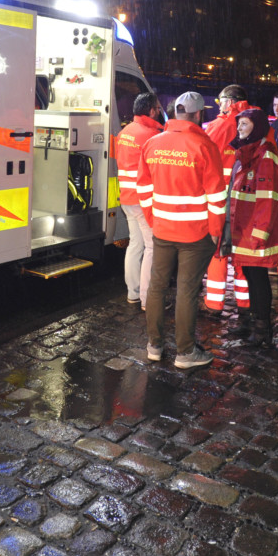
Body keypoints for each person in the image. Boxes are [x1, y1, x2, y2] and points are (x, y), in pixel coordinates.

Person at [138, 91, 225, 369]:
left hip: (163, 229)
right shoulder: (205, 145)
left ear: (176, 112)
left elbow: (144, 189)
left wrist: (154, 220)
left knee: (157, 286)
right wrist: (216, 231)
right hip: (195, 233)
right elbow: (216, 196)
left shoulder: (153, 143)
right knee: (186, 290)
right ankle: (185, 352)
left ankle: (154, 346)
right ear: (198, 114)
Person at [221, 107, 278, 346]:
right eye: (239, 124)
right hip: (244, 229)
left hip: (255, 231)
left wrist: (260, 233)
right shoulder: (247, 152)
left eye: (245, 124)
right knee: (248, 274)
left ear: (257, 128)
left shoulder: (265, 156)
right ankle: (249, 321)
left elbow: (268, 198)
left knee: (258, 278)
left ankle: (262, 329)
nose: (239, 128)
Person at [202, 85, 252, 315]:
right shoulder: (256, 123)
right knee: (243, 252)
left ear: (229, 102)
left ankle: (214, 304)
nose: (218, 106)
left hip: (222, 198)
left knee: (219, 250)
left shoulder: (219, 126)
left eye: (219, 101)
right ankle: (245, 304)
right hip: (248, 199)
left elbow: (203, 158)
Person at [112, 93, 163, 310]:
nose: (159, 112)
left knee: (135, 245)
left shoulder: (124, 132)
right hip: (144, 200)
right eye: (157, 108)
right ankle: (148, 299)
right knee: (151, 247)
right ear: (151, 110)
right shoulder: (152, 136)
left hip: (127, 198)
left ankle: (133, 293)